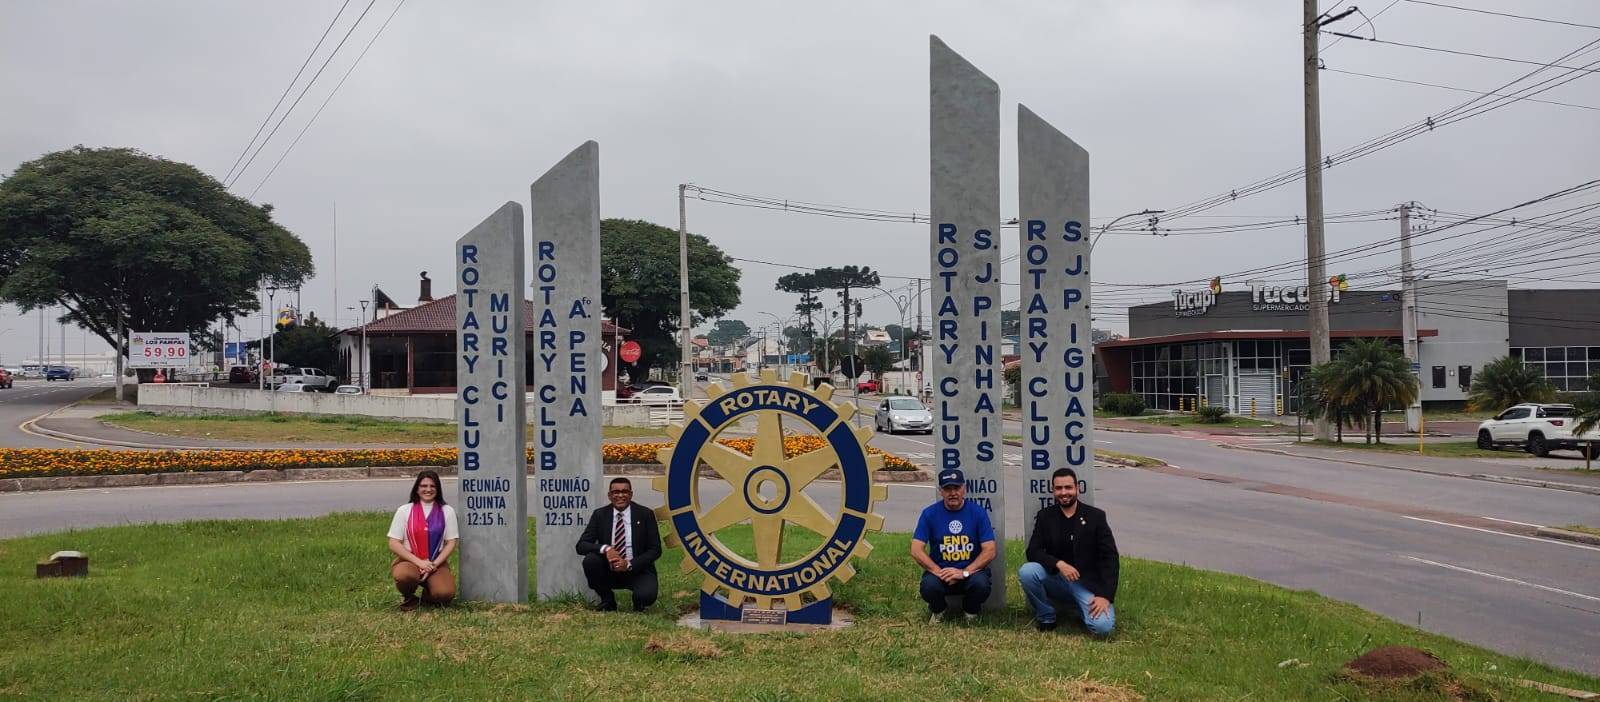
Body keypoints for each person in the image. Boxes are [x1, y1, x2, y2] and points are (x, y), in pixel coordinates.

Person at [1020, 467, 1119, 635]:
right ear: (1053, 491)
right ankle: (1046, 615)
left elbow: (1110, 558)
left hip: (1086, 584)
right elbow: (1033, 551)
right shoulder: (1045, 516)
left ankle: (1082, 609)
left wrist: (1105, 595)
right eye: (1058, 488)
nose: (1063, 492)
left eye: (1068, 487)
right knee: (1027, 571)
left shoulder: (1096, 517)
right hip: (1056, 579)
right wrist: (1058, 564)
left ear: (1077, 489)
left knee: (1102, 628)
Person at [911, 469, 996, 623]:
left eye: (956, 488)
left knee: (981, 585)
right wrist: (939, 572)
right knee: (928, 587)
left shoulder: (978, 513)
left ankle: (971, 612)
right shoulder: (929, 514)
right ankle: (939, 610)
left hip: (970, 573)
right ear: (941, 491)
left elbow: (990, 550)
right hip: (940, 573)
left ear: (964, 489)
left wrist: (964, 572)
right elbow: (916, 550)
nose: (953, 493)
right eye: (947, 489)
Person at [576, 477, 661, 611]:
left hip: (637, 569)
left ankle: (638, 603)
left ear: (631, 494)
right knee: (590, 561)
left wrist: (628, 564)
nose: (620, 495)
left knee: (646, 596)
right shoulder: (600, 515)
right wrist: (605, 549)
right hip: (609, 569)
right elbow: (581, 546)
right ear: (609, 495)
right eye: (615, 492)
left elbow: (655, 549)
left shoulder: (645, 514)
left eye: (624, 492)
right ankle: (608, 601)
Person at [386, 470, 458, 611]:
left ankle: (427, 596)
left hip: (435, 561)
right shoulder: (404, 510)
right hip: (409, 560)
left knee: (445, 594)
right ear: (417, 489)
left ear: (438, 489)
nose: (428, 489)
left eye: (432, 486)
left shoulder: (447, 511)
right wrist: (419, 563)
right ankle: (409, 598)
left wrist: (433, 564)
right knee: (404, 575)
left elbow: (451, 542)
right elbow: (393, 543)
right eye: (424, 486)